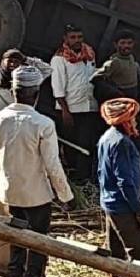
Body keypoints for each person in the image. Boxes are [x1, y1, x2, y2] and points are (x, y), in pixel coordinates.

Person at [0, 65, 74, 277]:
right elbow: (53, 165)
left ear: (13, 91)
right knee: (38, 241)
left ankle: (14, 274)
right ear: (36, 94)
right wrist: (65, 196)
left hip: (8, 191)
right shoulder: (43, 124)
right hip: (36, 194)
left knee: (16, 235)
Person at [97, 97, 140, 277]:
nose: (136, 123)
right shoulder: (121, 143)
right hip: (123, 206)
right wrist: (139, 211)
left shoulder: (106, 138)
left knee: (116, 251)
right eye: (133, 119)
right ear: (125, 121)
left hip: (110, 203)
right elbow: (125, 182)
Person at [90, 30, 140, 160]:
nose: (126, 46)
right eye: (123, 43)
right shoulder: (114, 63)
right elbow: (96, 79)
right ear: (116, 45)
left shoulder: (131, 60)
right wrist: (115, 93)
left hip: (132, 104)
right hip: (120, 106)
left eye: (129, 43)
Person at [50, 24, 101, 183]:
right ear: (65, 39)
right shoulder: (59, 59)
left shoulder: (90, 55)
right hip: (71, 110)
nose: (77, 40)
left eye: (79, 37)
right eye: (73, 37)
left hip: (89, 107)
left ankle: (85, 179)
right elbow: (58, 88)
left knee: (87, 145)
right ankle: (74, 180)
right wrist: (66, 112)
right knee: (72, 147)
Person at [0, 49, 52, 116]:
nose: (12, 64)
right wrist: (4, 114)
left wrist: (26, 59)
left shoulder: (28, 80)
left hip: (25, 122)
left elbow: (48, 70)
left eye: (16, 62)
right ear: (2, 62)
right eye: (10, 61)